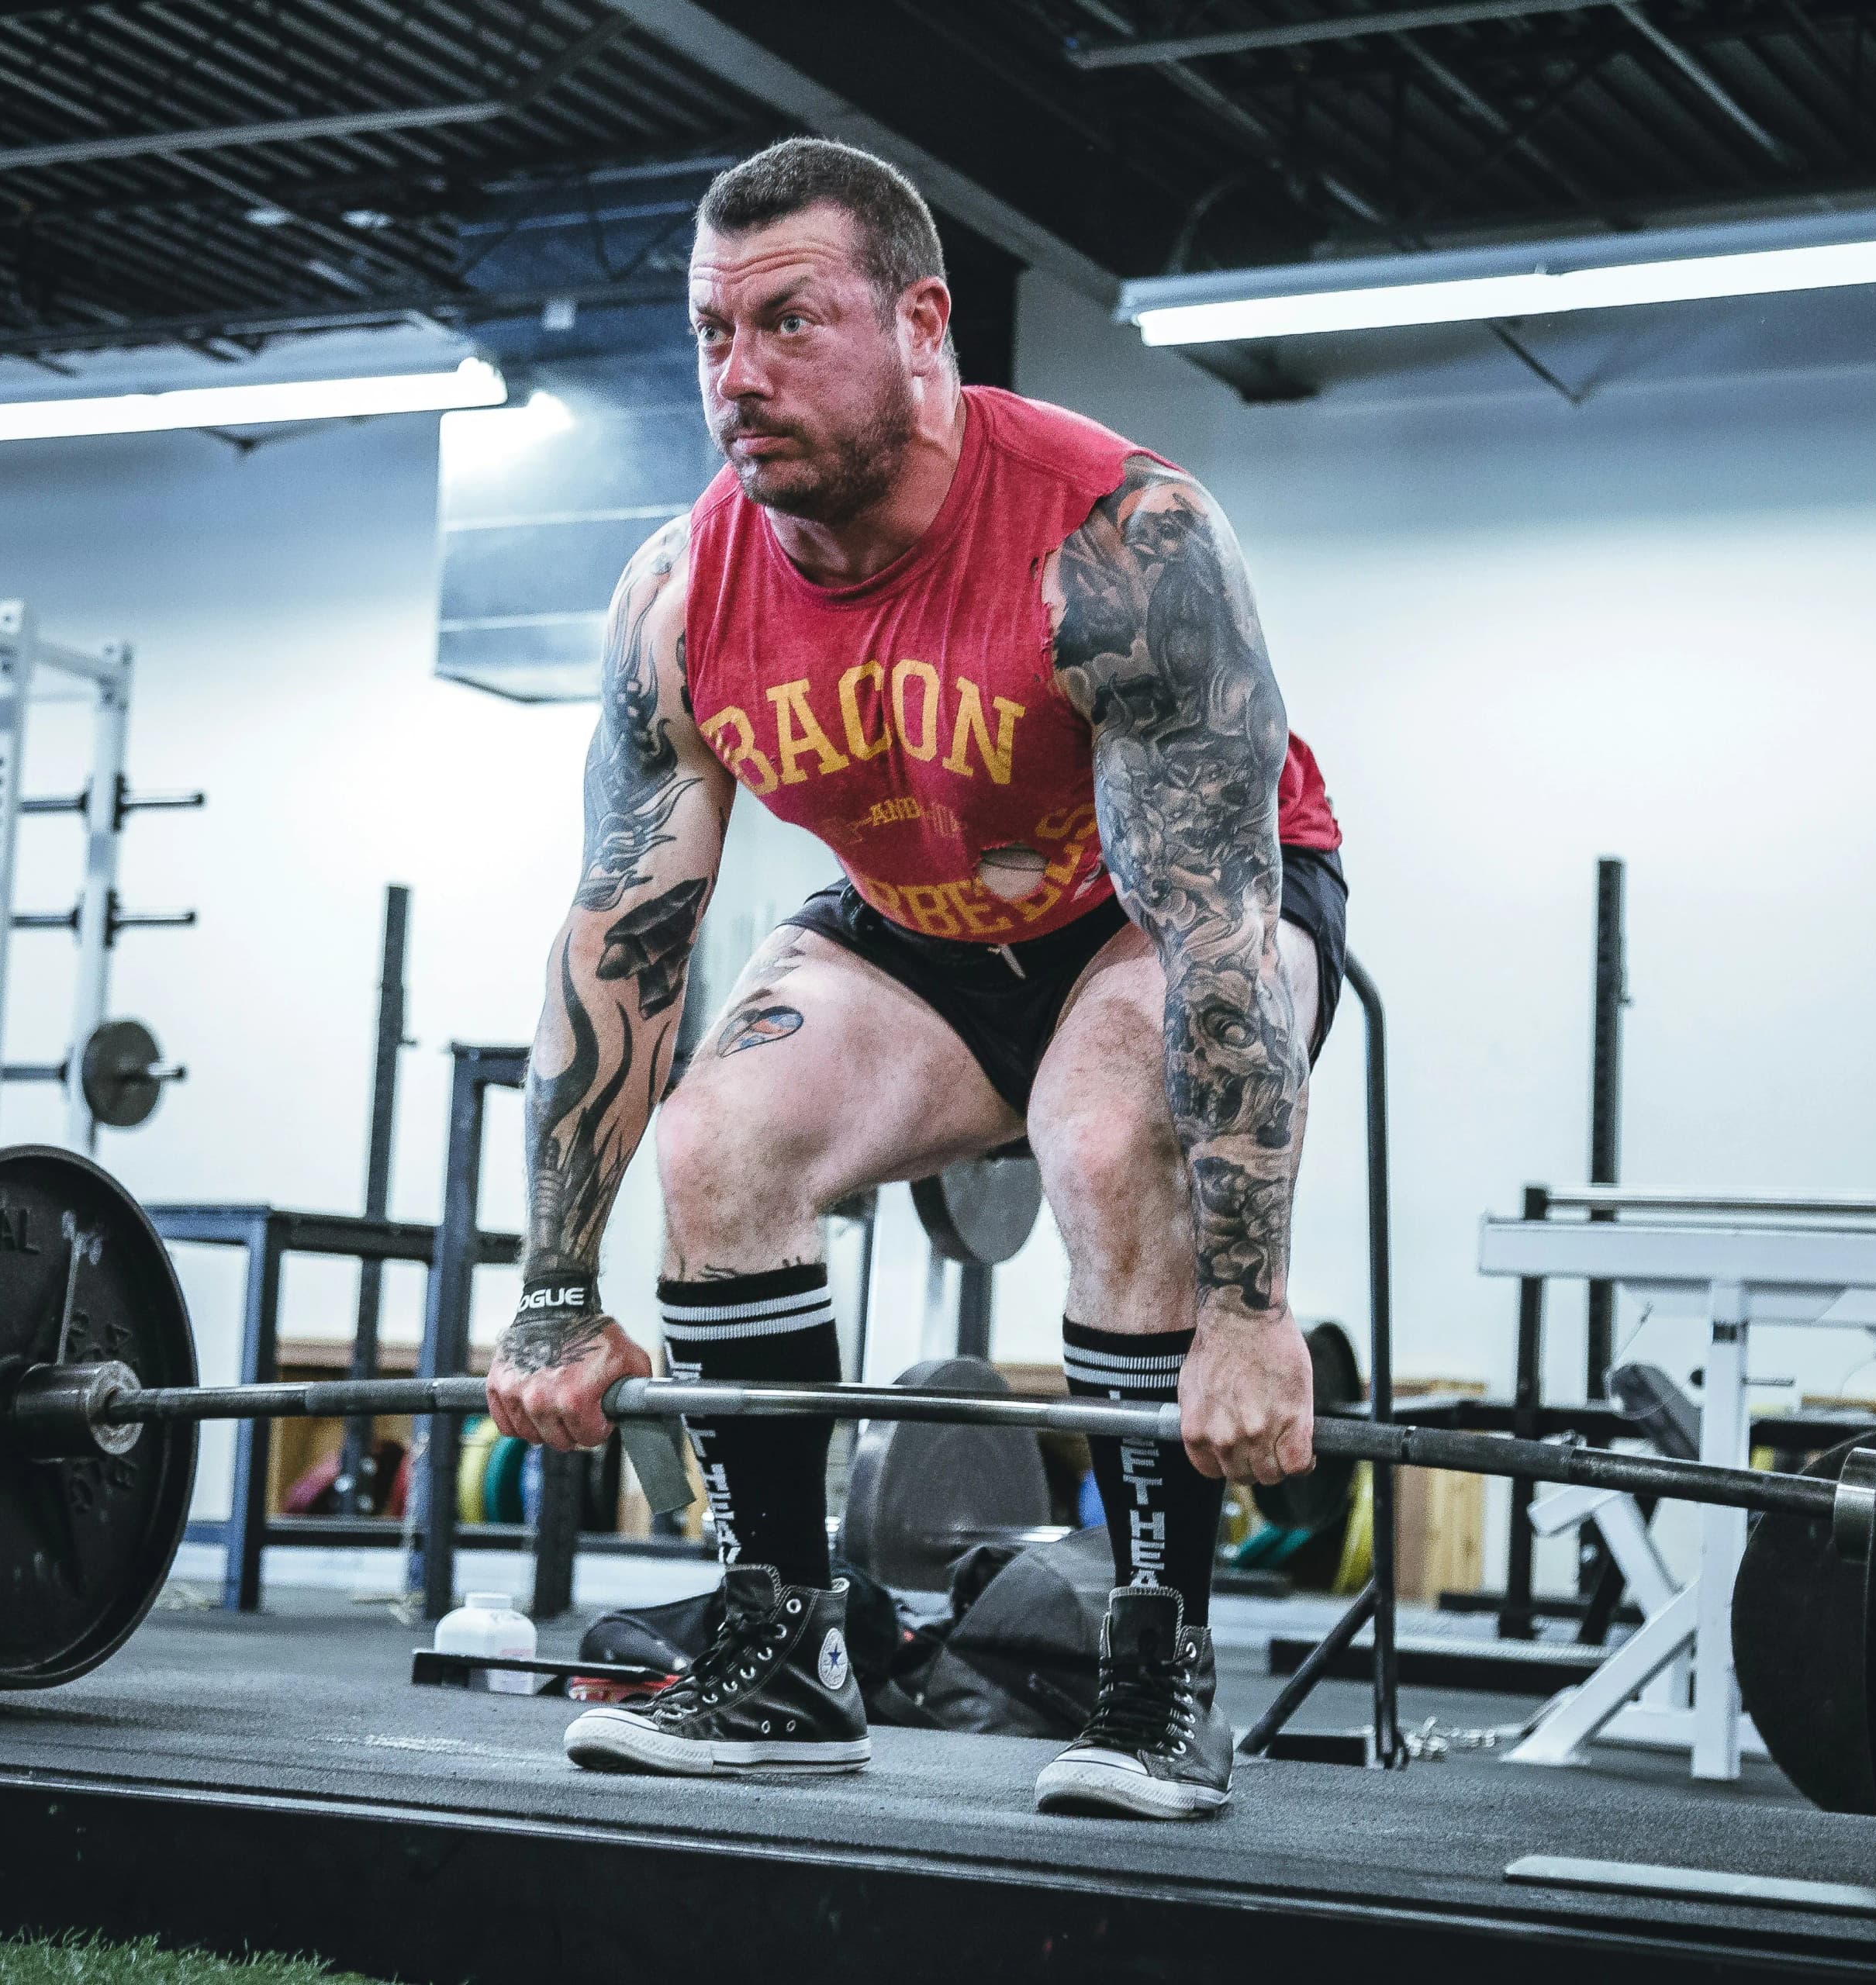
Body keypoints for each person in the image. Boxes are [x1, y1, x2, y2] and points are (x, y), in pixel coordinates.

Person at [482, 138, 1349, 1821]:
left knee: (1106, 1127)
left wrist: (1248, 1311)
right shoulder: (681, 596)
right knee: (718, 1141)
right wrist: (553, 1283)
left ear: (924, 322)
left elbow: (1218, 935)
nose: (739, 377)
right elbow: (619, 939)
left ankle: (1158, 1663)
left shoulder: (1121, 542)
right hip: (920, 923)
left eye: (790, 324)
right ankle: (782, 1650)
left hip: (1159, 912)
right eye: (712, 336)